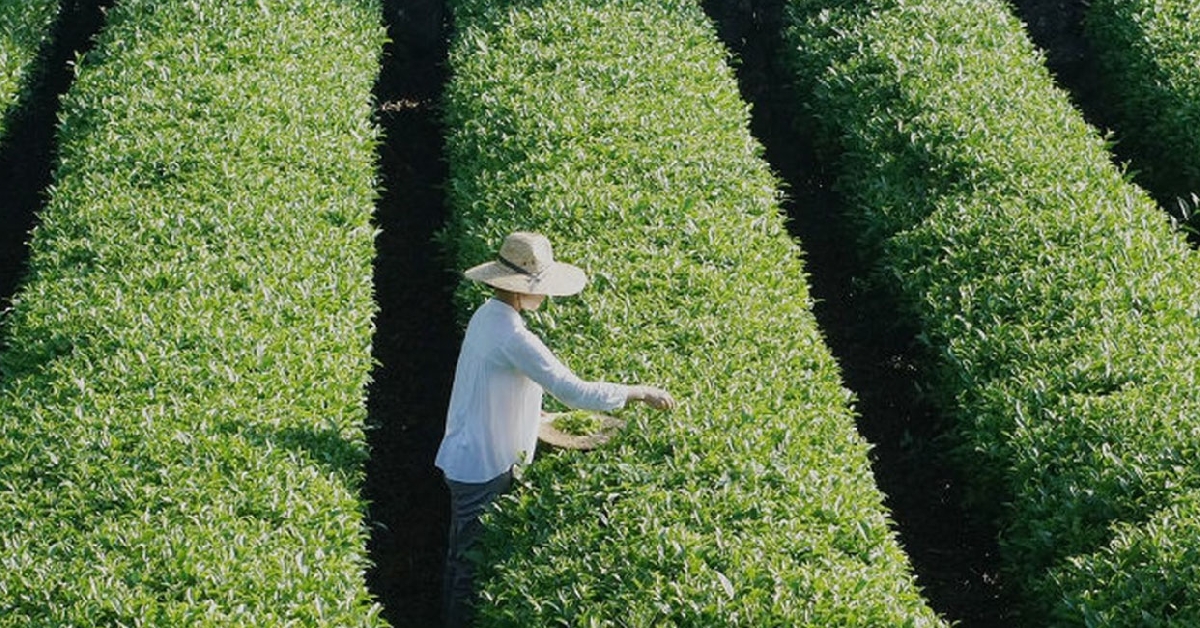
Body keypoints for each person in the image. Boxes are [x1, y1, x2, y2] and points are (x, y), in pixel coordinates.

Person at [435, 231, 675, 627]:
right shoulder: (514, 337)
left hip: (469, 451)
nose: (544, 296)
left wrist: (538, 420)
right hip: (479, 466)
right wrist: (638, 392)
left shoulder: (487, 316)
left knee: (461, 553)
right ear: (519, 289)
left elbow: (493, 391)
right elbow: (572, 390)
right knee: (468, 567)